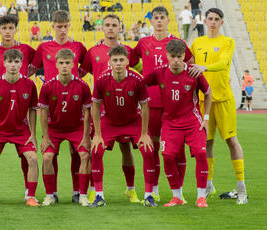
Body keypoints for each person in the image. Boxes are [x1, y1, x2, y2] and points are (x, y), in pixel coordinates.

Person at [133, 6, 194, 203]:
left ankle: (179, 192)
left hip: (175, 105)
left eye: (162, 18)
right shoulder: (143, 43)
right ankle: (153, 190)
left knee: (177, 149)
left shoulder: (177, 43)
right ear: (151, 21)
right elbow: (130, 60)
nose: (159, 21)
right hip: (150, 104)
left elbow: (191, 65)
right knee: (152, 147)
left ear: (168, 20)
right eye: (155, 18)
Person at [80, 14, 142, 204]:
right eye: (107, 25)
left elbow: (140, 70)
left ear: (120, 27)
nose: (110, 28)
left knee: (126, 148)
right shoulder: (93, 51)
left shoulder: (128, 51)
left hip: (125, 107)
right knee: (95, 148)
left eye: (114, 25)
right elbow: (81, 73)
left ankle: (130, 190)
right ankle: (94, 190)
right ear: (102, 28)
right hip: (101, 109)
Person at [189, 8, 248, 204]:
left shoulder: (227, 42)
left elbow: (223, 63)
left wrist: (205, 67)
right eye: (210, 19)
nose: (213, 22)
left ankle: (241, 188)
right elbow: (188, 64)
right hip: (204, 101)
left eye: (217, 19)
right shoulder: (197, 43)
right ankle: (208, 185)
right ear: (205, 20)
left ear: (221, 22)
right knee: (207, 143)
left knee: (232, 140)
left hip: (223, 99)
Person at [144, 39, 212, 208]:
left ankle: (201, 196)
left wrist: (206, 119)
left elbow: (208, 93)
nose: (175, 60)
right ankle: (177, 196)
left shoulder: (194, 73)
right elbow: (141, 84)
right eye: (172, 56)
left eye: (179, 56)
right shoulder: (159, 73)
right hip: (169, 123)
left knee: (201, 154)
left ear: (184, 56)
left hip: (192, 122)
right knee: (167, 156)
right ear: (166, 55)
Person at [29, 10, 87, 202]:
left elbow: (86, 68)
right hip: (52, 109)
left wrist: (75, 84)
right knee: (49, 155)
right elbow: (31, 69)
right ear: (52, 26)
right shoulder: (44, 47)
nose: (62, 30)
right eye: (59, 26)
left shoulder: (78, 46)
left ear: (69, 25)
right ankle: (51, 193)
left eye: (65, 26)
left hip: (75, 107)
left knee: (77, 154)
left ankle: (78, 192)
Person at [90, 45, 156, 207]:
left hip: (133, 121)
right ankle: (99, 195)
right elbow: (96, 107)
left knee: (148, 150)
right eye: (115, 60)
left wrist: (145, 133)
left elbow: (145, 106)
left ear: (127, 61)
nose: (118, 63)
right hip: (110, 122)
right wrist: (97, 134)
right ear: (110, 62)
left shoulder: (137, 79)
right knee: (96, 150)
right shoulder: (102, 80)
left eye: (121, 60)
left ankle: (148, 196)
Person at [0, 15, 36, 202]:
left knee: (28, 158)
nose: (7, 31)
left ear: (15, 29)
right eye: (3, 28)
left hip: (19, 113)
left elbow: (43, 60)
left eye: (11, 27)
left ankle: (30, 195)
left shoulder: (26, 49)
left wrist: (24, 81)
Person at [39, 49, 92, 207]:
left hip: (76, 128)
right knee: (47, 157)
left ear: (73, 64)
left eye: (67, 63)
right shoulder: (48, 86)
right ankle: (50, 195)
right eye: (61, 63)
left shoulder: (82, 86)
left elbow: (87, 112)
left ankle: (82, 195)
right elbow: (43, 114)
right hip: (54, 129)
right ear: (56, 64)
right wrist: (46, 137)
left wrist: (85, 136)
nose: (64, 66)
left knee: (84, 156)